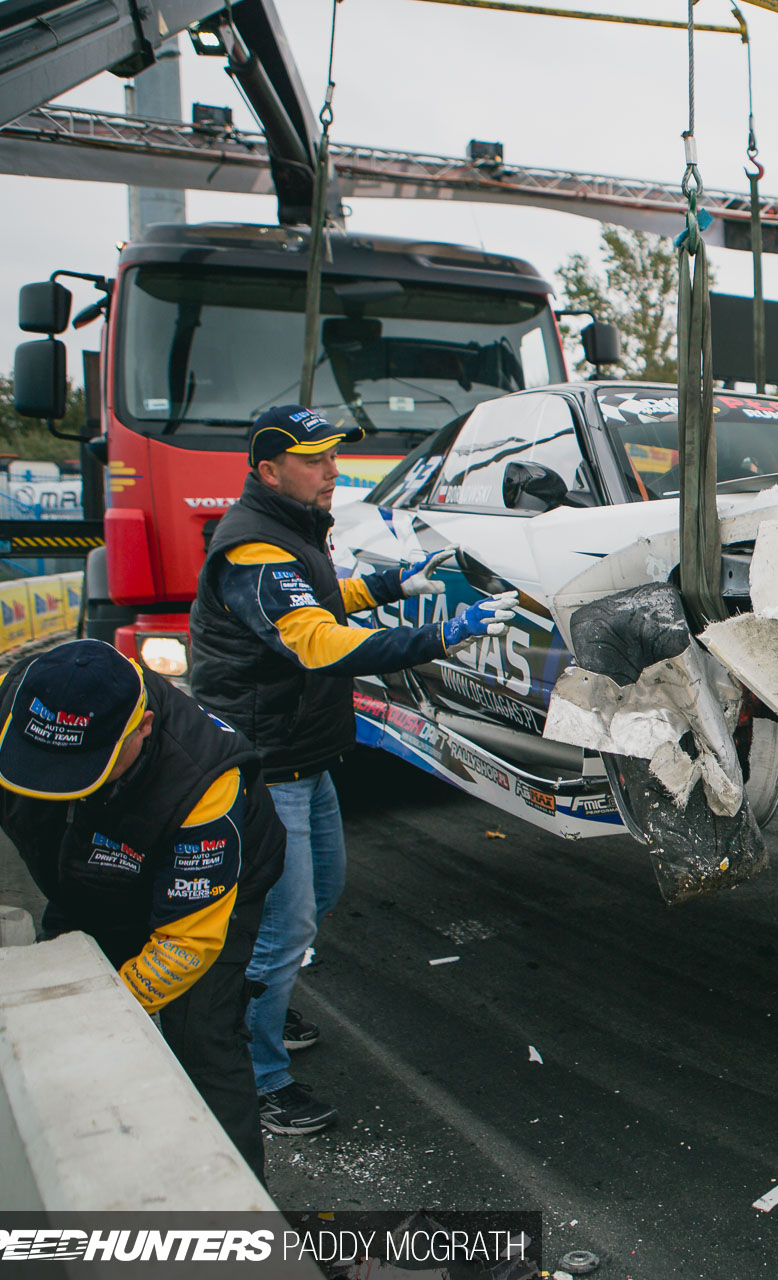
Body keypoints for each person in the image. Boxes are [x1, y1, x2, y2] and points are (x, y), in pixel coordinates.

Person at [187, 405, 515, 1137]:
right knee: (287, 920)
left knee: (321, 893)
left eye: (333, 455)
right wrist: (441, 633)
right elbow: (319, 643)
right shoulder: (253, 550)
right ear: (269, 470)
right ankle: (256, 1072)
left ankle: (257, 1000)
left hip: (305, 755)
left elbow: (321, 596)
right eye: (314, 459)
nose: (332, 470)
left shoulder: (295, 526)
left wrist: (396, 585)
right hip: (266, 767)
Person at [0, 640, 285, 1178]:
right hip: (83, 877)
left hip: (204, 899)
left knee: (203, 1040)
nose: (55, 782)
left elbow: (184, 945)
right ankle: (92, 1171)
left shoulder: (206, 780)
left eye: (80, 768)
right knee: (57, 1003)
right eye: (42, 764)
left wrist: (86, 1012)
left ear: (143, 727)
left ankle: (241, 1219)